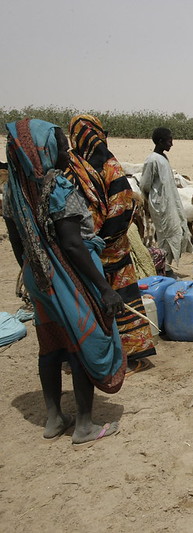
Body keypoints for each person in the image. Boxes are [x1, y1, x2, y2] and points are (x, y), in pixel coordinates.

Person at [3, 119, 124, 444]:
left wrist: (36, 268)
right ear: (42, 151)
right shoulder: (57, 186)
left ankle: (54, 418)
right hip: (69, 274)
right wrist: (103, 288)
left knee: (51, 344)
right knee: (82, 341)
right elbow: (72, 244)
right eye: (60, 145)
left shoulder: (13, 191)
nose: (67, 151)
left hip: (38, 275)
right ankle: (84, 425)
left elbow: (17, 241)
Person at [68, 115, 156, 372]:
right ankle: (121, 357)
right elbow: (122, 206)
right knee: (115, 300)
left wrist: (92, 242)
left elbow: (119, 204)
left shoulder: (72, 164)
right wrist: (104, 240)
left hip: (84, 248)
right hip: (106, 246)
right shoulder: (107, 165)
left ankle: (107, 358)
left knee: (95, 300)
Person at [139, 127, 192, 277]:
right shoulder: (152, 160)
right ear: (161, 141)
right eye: (169, 141)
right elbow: (145, 185)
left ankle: (165, 267)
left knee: (176, 232)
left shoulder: (163, 158)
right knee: (166, 236)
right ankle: (164, 269)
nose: (171, 144)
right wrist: (154, 201)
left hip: (169, 203)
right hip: (161, 205)